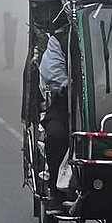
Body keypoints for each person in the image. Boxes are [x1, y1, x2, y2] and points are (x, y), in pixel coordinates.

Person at [38, 30, 74, 195]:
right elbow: (52, 71)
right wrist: (66, 83)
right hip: (65, 106)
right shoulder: (59, 40)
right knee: (56, 135)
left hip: (107, 105)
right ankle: (55, 190)